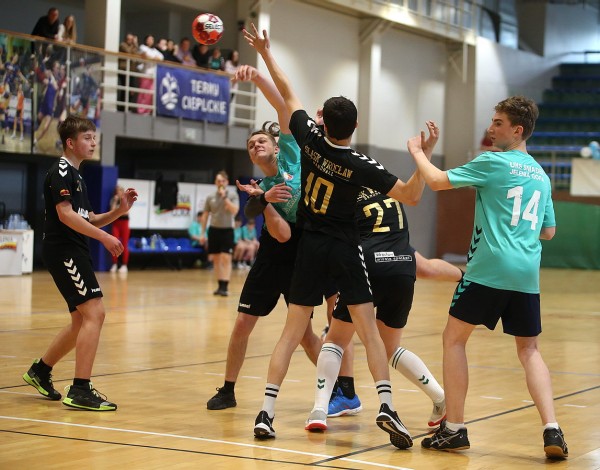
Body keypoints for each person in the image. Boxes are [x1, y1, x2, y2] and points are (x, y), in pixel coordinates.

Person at [243, 25, 427, 449]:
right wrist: (422, 155)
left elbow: (288, 92)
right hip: (345, 249)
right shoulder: (361, 164)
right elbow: (412, 195)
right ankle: (386, 405)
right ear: (355, 125)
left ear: (322, 120)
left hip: (309, 246)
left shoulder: (308, 139)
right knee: (368, 332)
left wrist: (266, 53)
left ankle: (266, 412)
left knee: (291, 332)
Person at [407, 96, 567, 459]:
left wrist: (418, 152)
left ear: (518, 130)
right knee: (529, 350)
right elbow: (548, 232)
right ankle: (552, 429)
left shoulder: (493, 162)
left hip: (489, 268)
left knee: (454, 339)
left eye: (498, 123)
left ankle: (454, 429)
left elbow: (436, 181)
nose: (490, 129)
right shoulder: (541, 176)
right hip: (526, 273)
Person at [308, 123, 448, 434]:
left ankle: (319, 409)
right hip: (403, 266)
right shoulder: (389, 189)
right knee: (390, 347)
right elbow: (414, 188)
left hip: (368, 264)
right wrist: (425, 153)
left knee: (335, 340)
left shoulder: (344, 191)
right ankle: (441, 398)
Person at [206, 66, 322, 411]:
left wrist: (256, 78)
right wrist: (265, 201)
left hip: (303, 253)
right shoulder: (260, 190)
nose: (255, 145)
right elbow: (277, 233)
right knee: (243, 323)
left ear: (275, 145)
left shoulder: (292, 152)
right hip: (273, 256)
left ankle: (338, 389)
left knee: (305, 335)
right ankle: (227, 390)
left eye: (260, 141)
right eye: (250, 145)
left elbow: (283, 104)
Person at [22, 114, 138, 411]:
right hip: (64, 250)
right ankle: (80, 389)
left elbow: (89, 218)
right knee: (95, 313)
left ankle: (40, 371)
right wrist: (105, 238)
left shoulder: (78, 176)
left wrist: (119, 211)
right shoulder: (61, 170)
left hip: (73, 249)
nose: (93, 142)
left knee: (81, 320)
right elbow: (65, 215)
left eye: (94, 137)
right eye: (87, 138)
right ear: (70, 143)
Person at [199, 171, 239, 296]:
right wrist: (202, 233)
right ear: (215, 182)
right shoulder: (210, 197)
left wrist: (224, 198)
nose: (220, 183)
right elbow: (205, 215)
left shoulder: (232, 195)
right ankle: (220, 285)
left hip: (227, 230)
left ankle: (225, 287)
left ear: (227, 182)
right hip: (214, 230)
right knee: (216, 259)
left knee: (226, 258)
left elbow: (235, 211)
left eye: (223, 181)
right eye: (218, 181)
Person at [137, 35, 163, 115]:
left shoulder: (154, 50)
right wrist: (154, 58)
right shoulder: (142, 47)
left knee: (150, 94)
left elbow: (161, 57)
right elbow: (145, 55)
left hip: (153, 74)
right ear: (146, 40)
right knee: (143, 93)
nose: (150, 41)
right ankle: (140, 110)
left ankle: (147, 111)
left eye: (152, 39)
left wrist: (153, 58)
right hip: (145, 73)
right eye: (149, 39)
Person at [109, 185, 131, 273]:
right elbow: (111, 211)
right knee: (114, 244)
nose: (118, 192)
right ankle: (114, 264)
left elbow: (126, 213)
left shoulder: (126, 200)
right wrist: (115, 201)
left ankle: (125, 265)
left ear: (122, 192)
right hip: (116, 224)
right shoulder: (113, 200)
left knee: (124, 244)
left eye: (120, 191)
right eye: (117, 191)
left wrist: (117, 212)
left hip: (124, 224)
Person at [118, 33, 140, 111]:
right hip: (124, 70)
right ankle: (122, 108)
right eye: (129, 39)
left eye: (131, 39)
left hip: (132, 70)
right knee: (124, 89)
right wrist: (135, 45)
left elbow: (137, 55)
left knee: (132, 90)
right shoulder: (122, 45)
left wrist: (135, 45)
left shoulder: (133, 47)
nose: (130, 41)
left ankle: (128, 107)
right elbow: (128, 52)